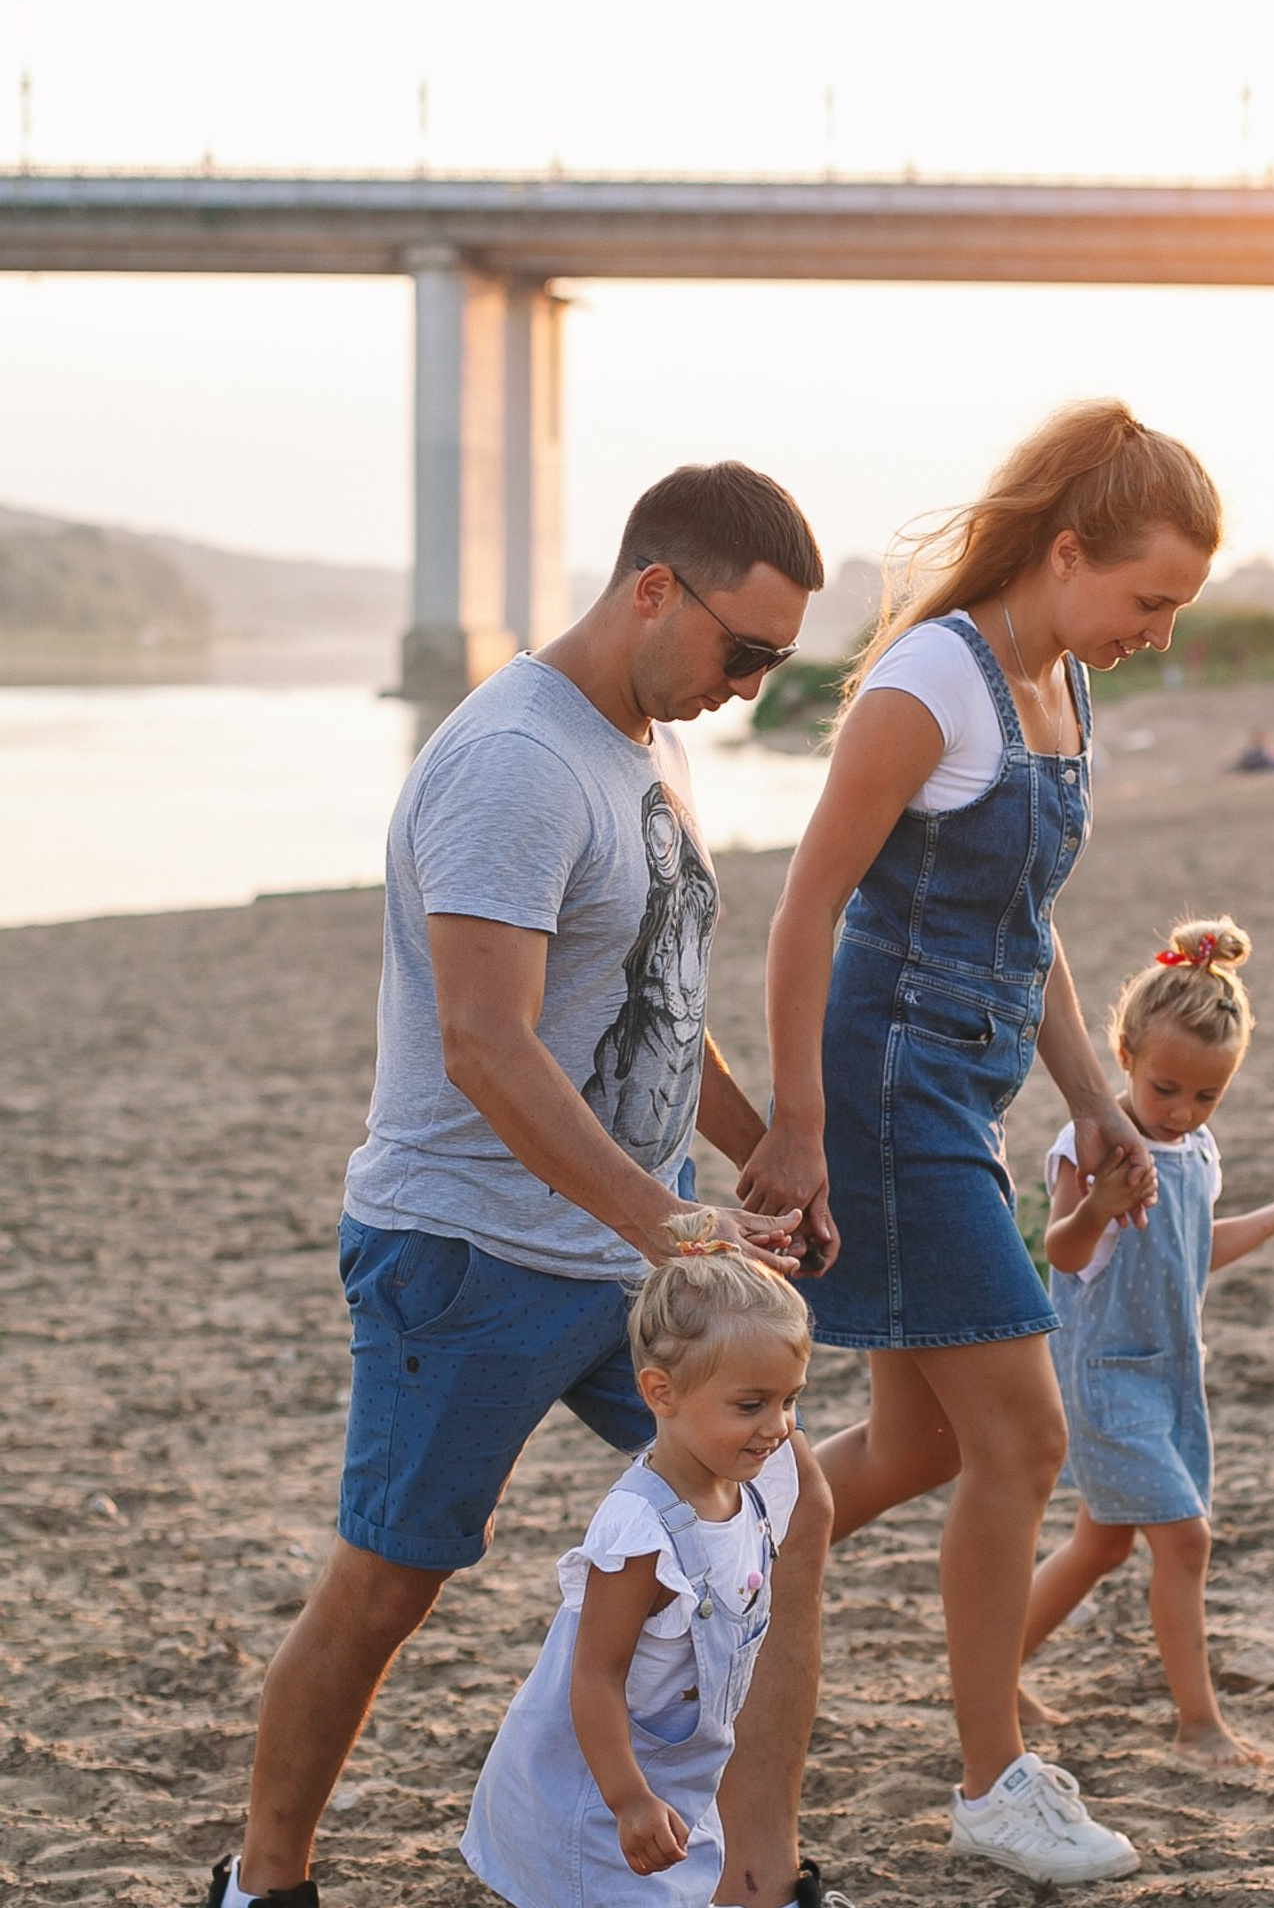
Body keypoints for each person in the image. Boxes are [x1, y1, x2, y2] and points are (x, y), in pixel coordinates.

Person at [202, 463, 845, 1908]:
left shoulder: (645, 738)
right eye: (742, 651)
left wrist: (755, 1145)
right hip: (471, 1253)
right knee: (390, 1583)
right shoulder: (515, 764)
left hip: (626, 1254)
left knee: (786, 1507)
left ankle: (756, 1874)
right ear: (653, 589)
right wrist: (671, 1219)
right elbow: (486, 1045)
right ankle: (263, 1882)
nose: (750, 686)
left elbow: (650, 999)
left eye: (779, 663)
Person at [737, 400, 1222, 1884]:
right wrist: (800, 1127)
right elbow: (806, 906)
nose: (1155, 630)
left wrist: (1087, 1094)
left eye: (1178, 609)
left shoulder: (1062, 675)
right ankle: (993, 1778)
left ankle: (701, 1546)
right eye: (1146, 597)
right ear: (1067, 549)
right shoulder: (926, 685)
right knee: (1023, 1433)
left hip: (972, 1092)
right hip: (884, 1098)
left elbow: (1029, 930)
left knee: (918, 1439)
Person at [1020, 917, 1274, 1767]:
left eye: (1207, 1096)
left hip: (1172, 1373)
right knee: (1186, 1540)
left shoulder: (1197, 1150)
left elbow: (1196, 1247)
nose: (1183, 1111)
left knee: (1102, 1540)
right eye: (1167, 1089)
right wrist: (1100, 1201)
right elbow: (1062, 1253)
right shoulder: (1093, 1139)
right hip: (1103, 1373)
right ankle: (1198, 1725)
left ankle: (993, 1667)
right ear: (1127, 1055)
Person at [462, 1209, 846, 1907]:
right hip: (599, 1805)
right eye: (751, 1404)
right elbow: (595, 1676)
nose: (778, 1427)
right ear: (659, 1392)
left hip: (679, 1795)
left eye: (791, 1400)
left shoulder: (749, 1494)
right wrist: (628, 1798)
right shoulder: (641, 1531)